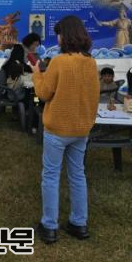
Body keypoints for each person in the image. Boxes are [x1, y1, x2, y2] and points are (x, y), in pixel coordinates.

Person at [32, 15, 100, 244]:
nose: (58, 38)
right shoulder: (91, 63)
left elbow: (43, 93)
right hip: (81, 129)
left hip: (57, 129)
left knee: (51, 176)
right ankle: (79, 223)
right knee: (78, 175)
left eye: (59, 34)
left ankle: (49, 226)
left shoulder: (59, 61)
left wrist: (37, 73)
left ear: (65, 35)